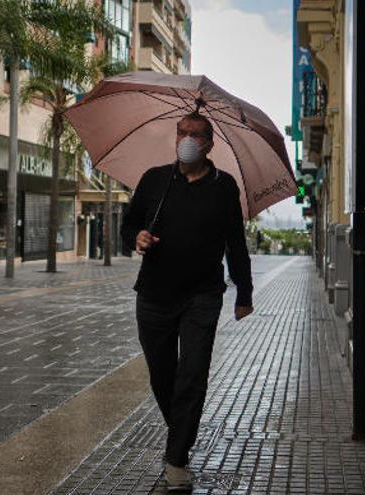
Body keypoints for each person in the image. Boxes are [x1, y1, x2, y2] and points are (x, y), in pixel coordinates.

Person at [121, 113, 254, 493]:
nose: (188, 140)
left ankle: (176, 459)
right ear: (175, 136)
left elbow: (236, 244)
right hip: (153, 296)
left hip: (202, 297)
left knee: (191, 376)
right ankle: (182, 432)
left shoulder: (223, 186)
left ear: (210, 144)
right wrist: (139, 237)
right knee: (162, 377)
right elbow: (129, 224)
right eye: (183, 132)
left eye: (196, 135)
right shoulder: (155, 180)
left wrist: (244, 293)